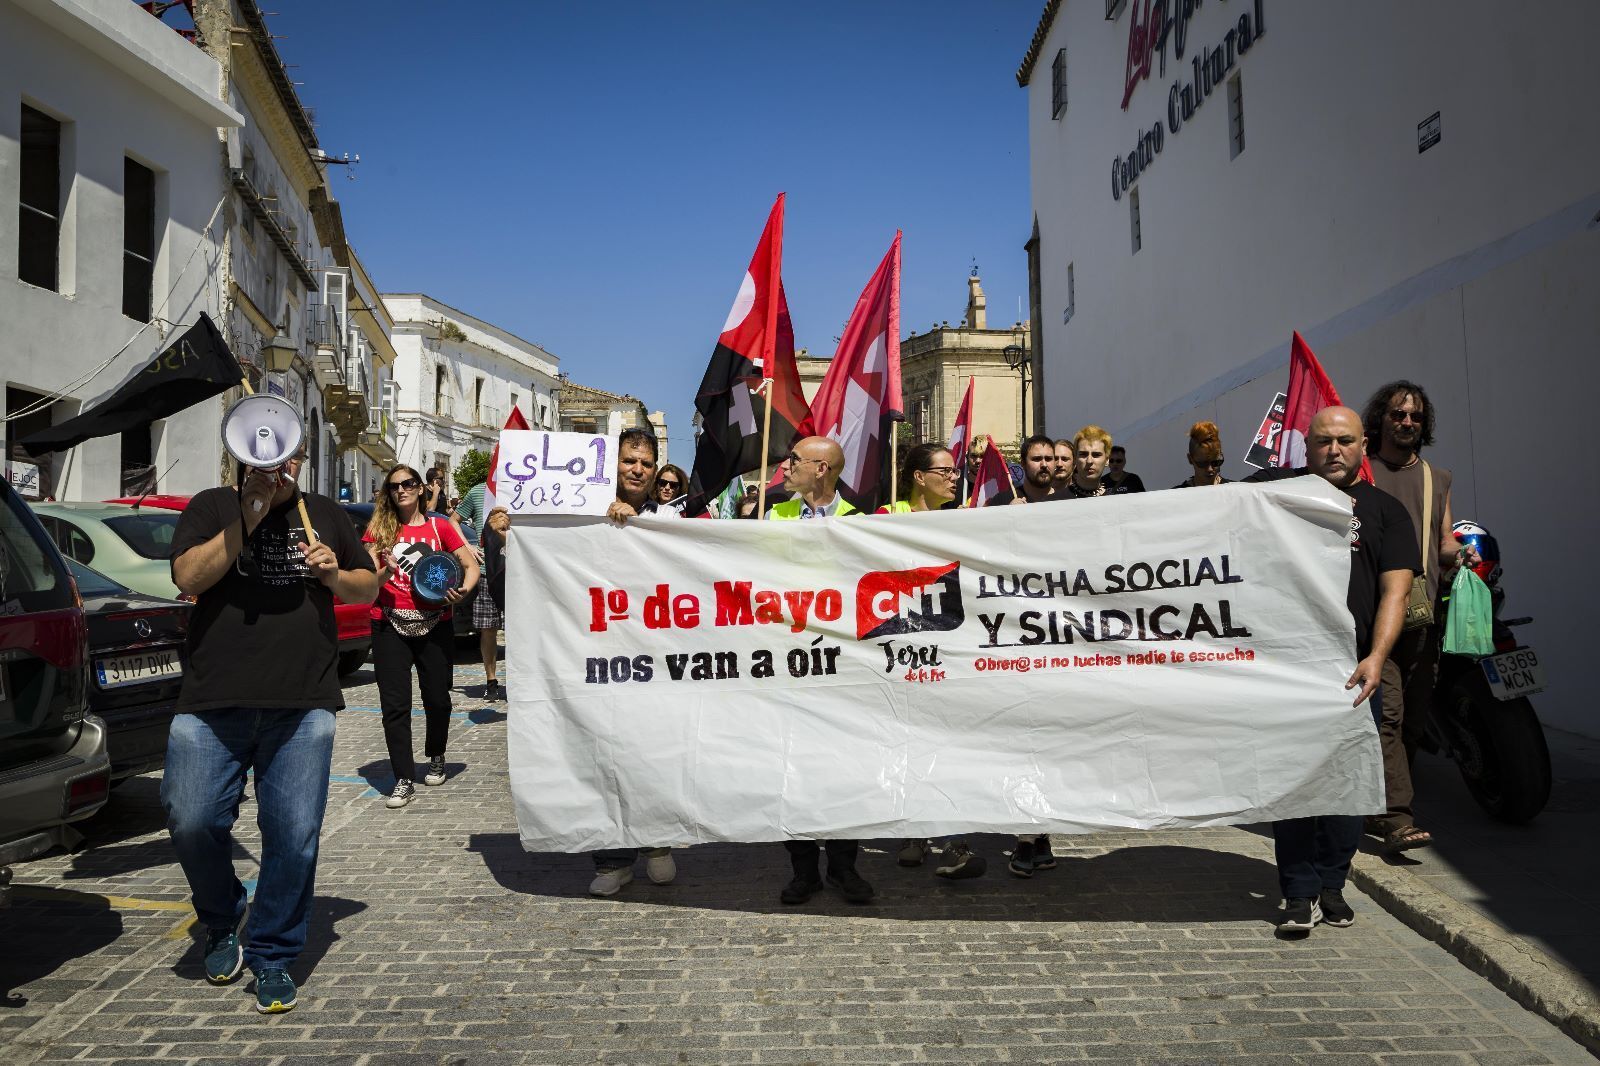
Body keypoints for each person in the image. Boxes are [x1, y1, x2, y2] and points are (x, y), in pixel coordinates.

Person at [166, 453, 379, 1014]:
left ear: (300, 460)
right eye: (262, 456)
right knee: (191, 820)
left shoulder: (325, 513)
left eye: (288, 456)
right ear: (241, 456)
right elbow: (188, 577)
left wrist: (333, 575)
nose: (276, 466)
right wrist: (248, 518)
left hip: (302, 703)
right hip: (213, 700)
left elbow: (366, 589)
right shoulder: (211, 506)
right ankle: (222, 917)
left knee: (293, 834)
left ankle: (273, 952)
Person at [1270, 406, 1418, 934]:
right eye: (1323, 441)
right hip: (1290, 666)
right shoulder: (1276, 497)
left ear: (1362, 446)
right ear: (1306, 447)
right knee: (1294, 783)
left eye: (1345, 440)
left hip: (1356, 669)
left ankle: (1332, 882)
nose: (1334, 450)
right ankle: (1298, 891)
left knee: (1348, 786)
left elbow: (1396, 591)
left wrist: (1376, 657)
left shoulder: (1386, 511)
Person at [1360, 381, 1477, 853]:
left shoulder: (1436, 478)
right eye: (1398, 414)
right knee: (1387, 713)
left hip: (1421, 613)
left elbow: (1442, 540)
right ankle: (1397, 818)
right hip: (1373, 613)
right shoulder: (1362, 471)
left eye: (1415, 416)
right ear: (1381, 419)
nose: (1407, 422)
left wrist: (1461, 553)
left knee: (1412, 718)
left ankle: (1380, 800)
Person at [764, 436, 874, 903]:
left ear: (822, 468)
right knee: (793, 769)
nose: (785, 466)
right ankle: (803, 870)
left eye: (794, 460)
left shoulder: (860, 521)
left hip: (841, 667)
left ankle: (844, 867)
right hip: (789, 663)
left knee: (844, 768)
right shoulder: (773, 517)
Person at [878, 443, 986, 879]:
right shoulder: (886, 515)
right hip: (902, 649)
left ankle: (955, 842)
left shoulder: (961, 520)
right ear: (919, 477)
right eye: (945, 471)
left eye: (956, 470)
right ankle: (914, 832)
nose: (954, 477)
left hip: (950, 649)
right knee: (909, 744)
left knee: (949, 747)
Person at [592, 428, 679, 896]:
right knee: (604, 758)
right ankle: (612, 858)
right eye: (630, 460)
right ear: (615, 464)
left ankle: (657, 844)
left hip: (654, 659)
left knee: (653, 755)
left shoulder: (669, 519)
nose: (638, 470)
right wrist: (507, 533)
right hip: (597, 657)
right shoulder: (582, 511)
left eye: (646, 463)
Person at [364, 464, 481, 810]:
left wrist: (461, 592)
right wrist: (383, 570)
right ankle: (402, 777)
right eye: (394, 486)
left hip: (435, 623)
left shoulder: (439, 526)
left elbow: (471, 567)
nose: (401, 490)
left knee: (438, 699)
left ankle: (436, 754)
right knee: (394, 706)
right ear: (388, 493)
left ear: (420, 488)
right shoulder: (378, 530)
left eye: (408, 483)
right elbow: (367, 580)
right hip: (388, 623)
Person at [474, 506, 510, 701]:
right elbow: (453, 520)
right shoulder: (478, 493)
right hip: (487, 575)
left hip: (516, 573)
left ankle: (519, 679)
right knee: (488, 629)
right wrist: (468, 546)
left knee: (519, 631)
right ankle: (491, 681)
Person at [1002, 434, 1060, 505]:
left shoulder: (1068, 499)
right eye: (1037, 459)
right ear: (1023, 463)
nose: (1044, 465)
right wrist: (1008, 511)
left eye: (1048, 459)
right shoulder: (1001, 501)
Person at [1173, 421, 1231, 488]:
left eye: (1215, 462)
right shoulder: (1176, 493)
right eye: (1203, 463)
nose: (1210, 469)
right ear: (1190, 459)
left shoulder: (1235, 490)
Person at [1063, 426, 1114, 500]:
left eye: (1096, 455)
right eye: (1083, 454)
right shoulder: (1055, 501)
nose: (1089, 461)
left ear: (1107, 460)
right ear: (1075, 459)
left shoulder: (1115, 502)